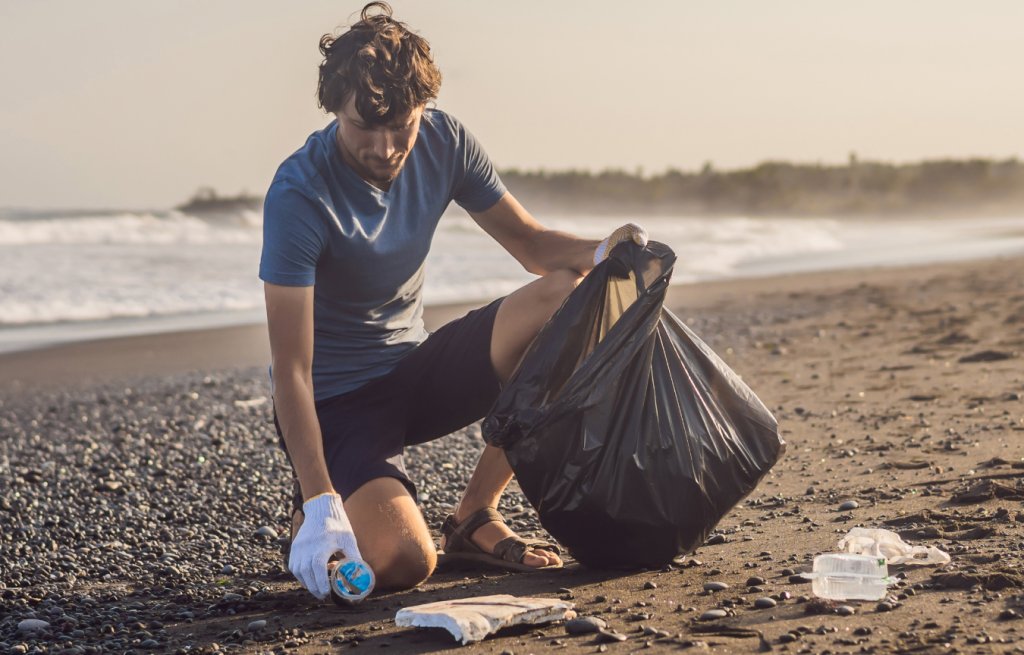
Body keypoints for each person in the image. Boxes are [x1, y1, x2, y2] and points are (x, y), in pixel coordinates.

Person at [259, 1, 646, 600]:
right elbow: (292, 370)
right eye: (366, 127)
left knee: (568, 297)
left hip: (416, 372)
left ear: (423, 110)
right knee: (405, 564)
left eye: (402, 127)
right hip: (339, 405)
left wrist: (611, 252)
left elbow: (533, 245)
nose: (387, 148)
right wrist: (319, 503)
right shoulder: (299, 194)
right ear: (333, 108)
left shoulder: (444, 141)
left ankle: (475, 515)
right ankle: (315, 518)